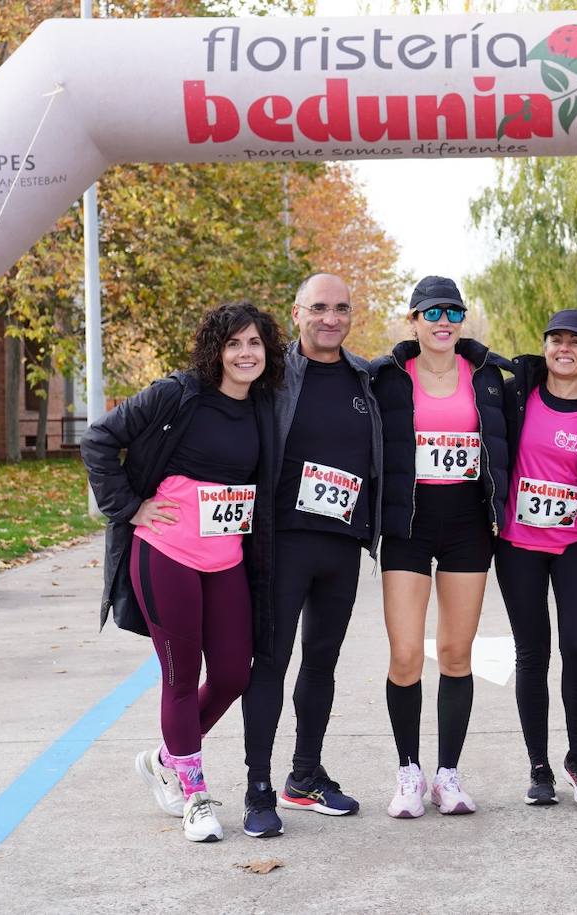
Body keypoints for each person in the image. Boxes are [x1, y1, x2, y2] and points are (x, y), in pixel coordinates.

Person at [82, 301, 285, 843]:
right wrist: (130, 506)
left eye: (254, 344)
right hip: (166, 551)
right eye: (234, 344)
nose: (245, 354)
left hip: (226, 559)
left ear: (268, 351)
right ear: (216, 350)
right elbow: (98, 438)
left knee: (232, 674)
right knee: (179, 674)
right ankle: (196, 797)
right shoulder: (179, 393)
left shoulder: (263, 405)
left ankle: (165, 759)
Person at [237, 273, 383, 839]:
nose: (331, 318)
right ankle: (257, 788)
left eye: (342, 308)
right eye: (319, 308)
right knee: (270, 663)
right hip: (282, 542)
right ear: (296, 313)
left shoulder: (365, 378)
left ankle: (305, 775)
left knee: (321, 663)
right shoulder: (271, 375)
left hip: (342, 545)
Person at [371, 275, 511, 817]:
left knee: (455, 653)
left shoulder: (489, 378)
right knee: (406, 655)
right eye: (432, 313)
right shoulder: (386, 378)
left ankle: (447, 775)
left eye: (452, 312)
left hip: (467, 525)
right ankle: (409, 771)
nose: (443, 322)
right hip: (408, 524)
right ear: (414, 320)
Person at [496, 309, 577, 807]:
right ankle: (538, 767)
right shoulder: (515, 395)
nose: (564, 349)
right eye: (556, 340)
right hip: (519, 545)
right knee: (532, 654)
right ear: (545, 346)